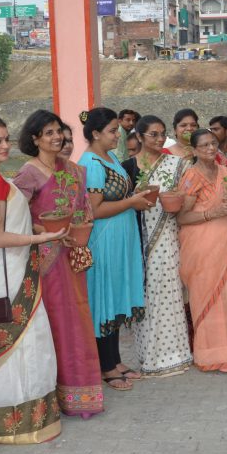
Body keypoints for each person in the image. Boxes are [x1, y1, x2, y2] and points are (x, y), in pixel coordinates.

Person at [0, 115, 65, 442]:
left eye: (6, 139)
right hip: (6, 274)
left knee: (9, 348)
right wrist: (40, 239)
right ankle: (20, 426)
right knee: (23, 348)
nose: (5, 146)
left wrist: (31, 230)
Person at [13, 110, 105, 418]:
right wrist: (42, 230)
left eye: (58, 132)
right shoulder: (28, 173)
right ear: (35, 138)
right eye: (49, 133)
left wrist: (79, 232)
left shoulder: (75, 171)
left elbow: (84, 210)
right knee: (51, 323)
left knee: (77, 319)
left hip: (71, 254)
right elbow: (15, 216)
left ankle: (81, 392)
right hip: (45, 259)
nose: (56, 138)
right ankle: (51, 394)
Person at [78, 107, 154, 390]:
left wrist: (137, 196)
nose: (117, 135)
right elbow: (95, 210)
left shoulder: (108, 158)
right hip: (104, 240)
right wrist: (131, 203)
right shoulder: (92, 163)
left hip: (120, 237)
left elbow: (119, 195)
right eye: (112, 131)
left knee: (116, 295)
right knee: (104, 301)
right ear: (95, 133)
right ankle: (105, 366)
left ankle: (116, 360)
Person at [176, 129, 227, 372]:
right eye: (204, 146)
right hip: (203, 246)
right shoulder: (191, 177)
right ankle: (211, 355)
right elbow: (181, 216)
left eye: (213, 144)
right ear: (194, 150)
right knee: (207, 298)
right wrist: (213, 213)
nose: (211, 149)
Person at [122, 115, 193, 377]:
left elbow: (188, 197)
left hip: (170, 236)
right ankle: (150, 356)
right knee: (147, 295)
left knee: (171, 292)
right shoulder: (127, 167)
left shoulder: (178, 164)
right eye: (153, 134)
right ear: (139, 137)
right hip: (138, 239)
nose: (160, 138)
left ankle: (177, 354)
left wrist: (179, 201)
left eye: (163, 134)